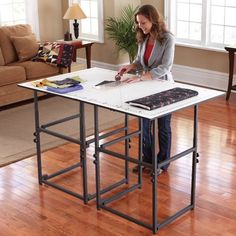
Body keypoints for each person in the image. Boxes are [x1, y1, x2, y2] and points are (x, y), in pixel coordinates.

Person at [117, 4, 175, 175]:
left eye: (143, 23)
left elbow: (165, 67)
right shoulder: (143, 37)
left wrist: (140, 77)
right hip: (145, 87)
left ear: (153, 20)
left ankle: (163, 163)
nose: (140, 26)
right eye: (139, 23)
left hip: (163, 87)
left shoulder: (168, 39)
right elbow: (140, 61)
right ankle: (148, 160)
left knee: (163, 127)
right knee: (144, 125)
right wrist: (129, 67)